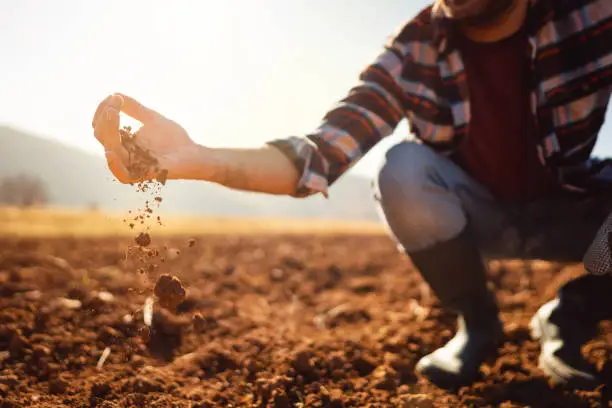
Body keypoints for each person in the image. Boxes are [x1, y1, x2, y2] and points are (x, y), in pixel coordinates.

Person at [93, 0, 612, 389]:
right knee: (403, 168)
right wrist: (203, 158)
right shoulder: (414, 47)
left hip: (573, 210)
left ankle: (573, 314)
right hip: (476, 216)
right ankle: (477, 325)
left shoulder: (590, 14)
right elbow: (325, 151)